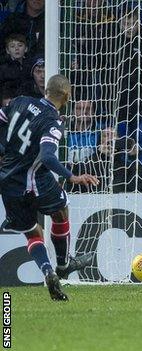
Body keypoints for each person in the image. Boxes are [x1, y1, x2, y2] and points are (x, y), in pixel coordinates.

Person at [0, 75, 99, 300]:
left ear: (46, 90)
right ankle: (63, 265)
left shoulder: (20, 101)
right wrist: (71, 176)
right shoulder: (53, 121)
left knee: (32, 232)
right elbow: (47, 156)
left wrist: (3, 149)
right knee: (61, 209)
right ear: (67, 95)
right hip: (34, 180)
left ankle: (47, 271)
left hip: (7, 181)